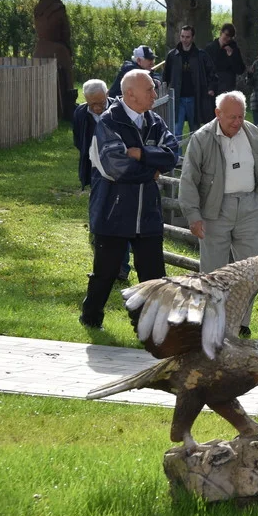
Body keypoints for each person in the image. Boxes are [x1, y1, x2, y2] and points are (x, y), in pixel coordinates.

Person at [79, 70, 179, 329]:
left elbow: (171, 155)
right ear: (130, 93)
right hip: (113, 212)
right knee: (106, 273)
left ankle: (149, 329)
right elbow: (116, 167)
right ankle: (90, 319)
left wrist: (140, 153)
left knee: (154, 277)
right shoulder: (108, 122)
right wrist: (151, 170)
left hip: (148, 213)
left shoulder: (155, 121)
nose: (155, 95)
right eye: (150, 90)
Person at [178, 91, 258, 338]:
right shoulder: (202, 138)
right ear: (218, 114)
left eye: (241, 116)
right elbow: (188, 179)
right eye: (232, 117)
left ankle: (242, 323)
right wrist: (193, 215)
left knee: (251, 269)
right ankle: (213, 323)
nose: (237, 122)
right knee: (214, 271)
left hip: (250, 207)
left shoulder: (252, 132)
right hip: (215, 209)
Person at [72, 79, 133, 281]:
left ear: (107, 95)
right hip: (96, 174)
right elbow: (79, 141)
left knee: (120, 220)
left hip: (119, 174)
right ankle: (103, 269)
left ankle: (122, 268)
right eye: (92, 104)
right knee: (98, 219)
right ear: (85, 100)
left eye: (100, 102)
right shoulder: (81, 113)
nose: (97, 108)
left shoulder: (120, 110)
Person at [162, 25, 217, 141]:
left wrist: (211, 88)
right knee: (176, 130)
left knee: (195, 131)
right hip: (177, 98)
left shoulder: (201, 55)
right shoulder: (172, 55)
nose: (184, 40)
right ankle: (177, 158)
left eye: (187, 37)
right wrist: (165, 91)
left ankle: (194, 157)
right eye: (182, 36)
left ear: (193, 38)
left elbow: (212, 73)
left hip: (194, 98)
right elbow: (165, 76)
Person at [205, 23, 247, 95]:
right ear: (221, 33)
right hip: (213, 89)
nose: (229, 39)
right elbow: (205, 69)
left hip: (228, 89)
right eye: (227, 35)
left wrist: (231, 56)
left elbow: (240, 70)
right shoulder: (210, 48)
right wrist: (209, 87)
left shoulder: (234, 49)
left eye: (231, 37)